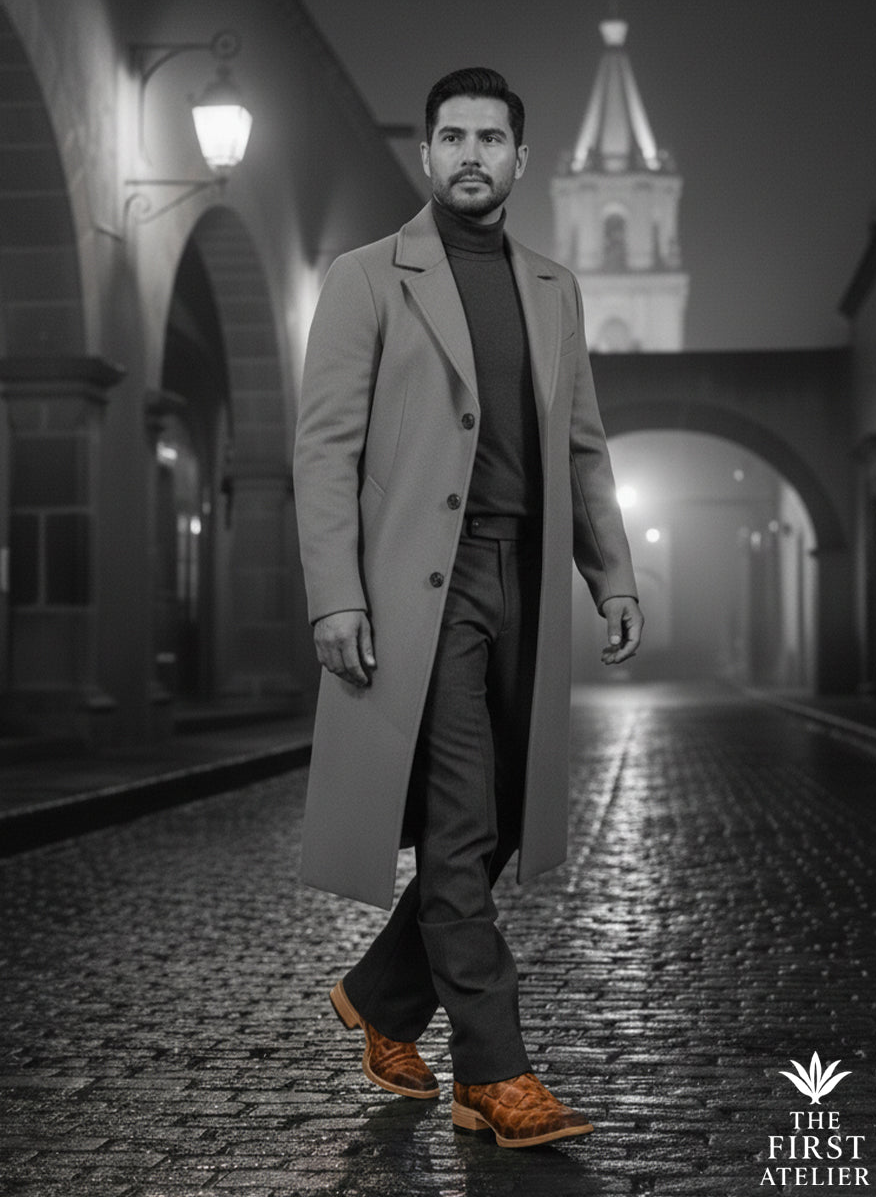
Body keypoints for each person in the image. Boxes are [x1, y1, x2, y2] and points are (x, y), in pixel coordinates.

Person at [293, 67, 642, 1149]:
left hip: (522, 579)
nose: (472, 155)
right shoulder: (366, 279)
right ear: (429, 152)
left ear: (520, 159)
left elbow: (582, 449)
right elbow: (324, 451)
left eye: (492, 137)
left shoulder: (554, 288)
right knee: (458, 825)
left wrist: (612, 572)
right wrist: (336, 596)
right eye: (453, 137)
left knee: (493, 822)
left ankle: (386, 997)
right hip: (419, 592)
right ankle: (495, 1075)